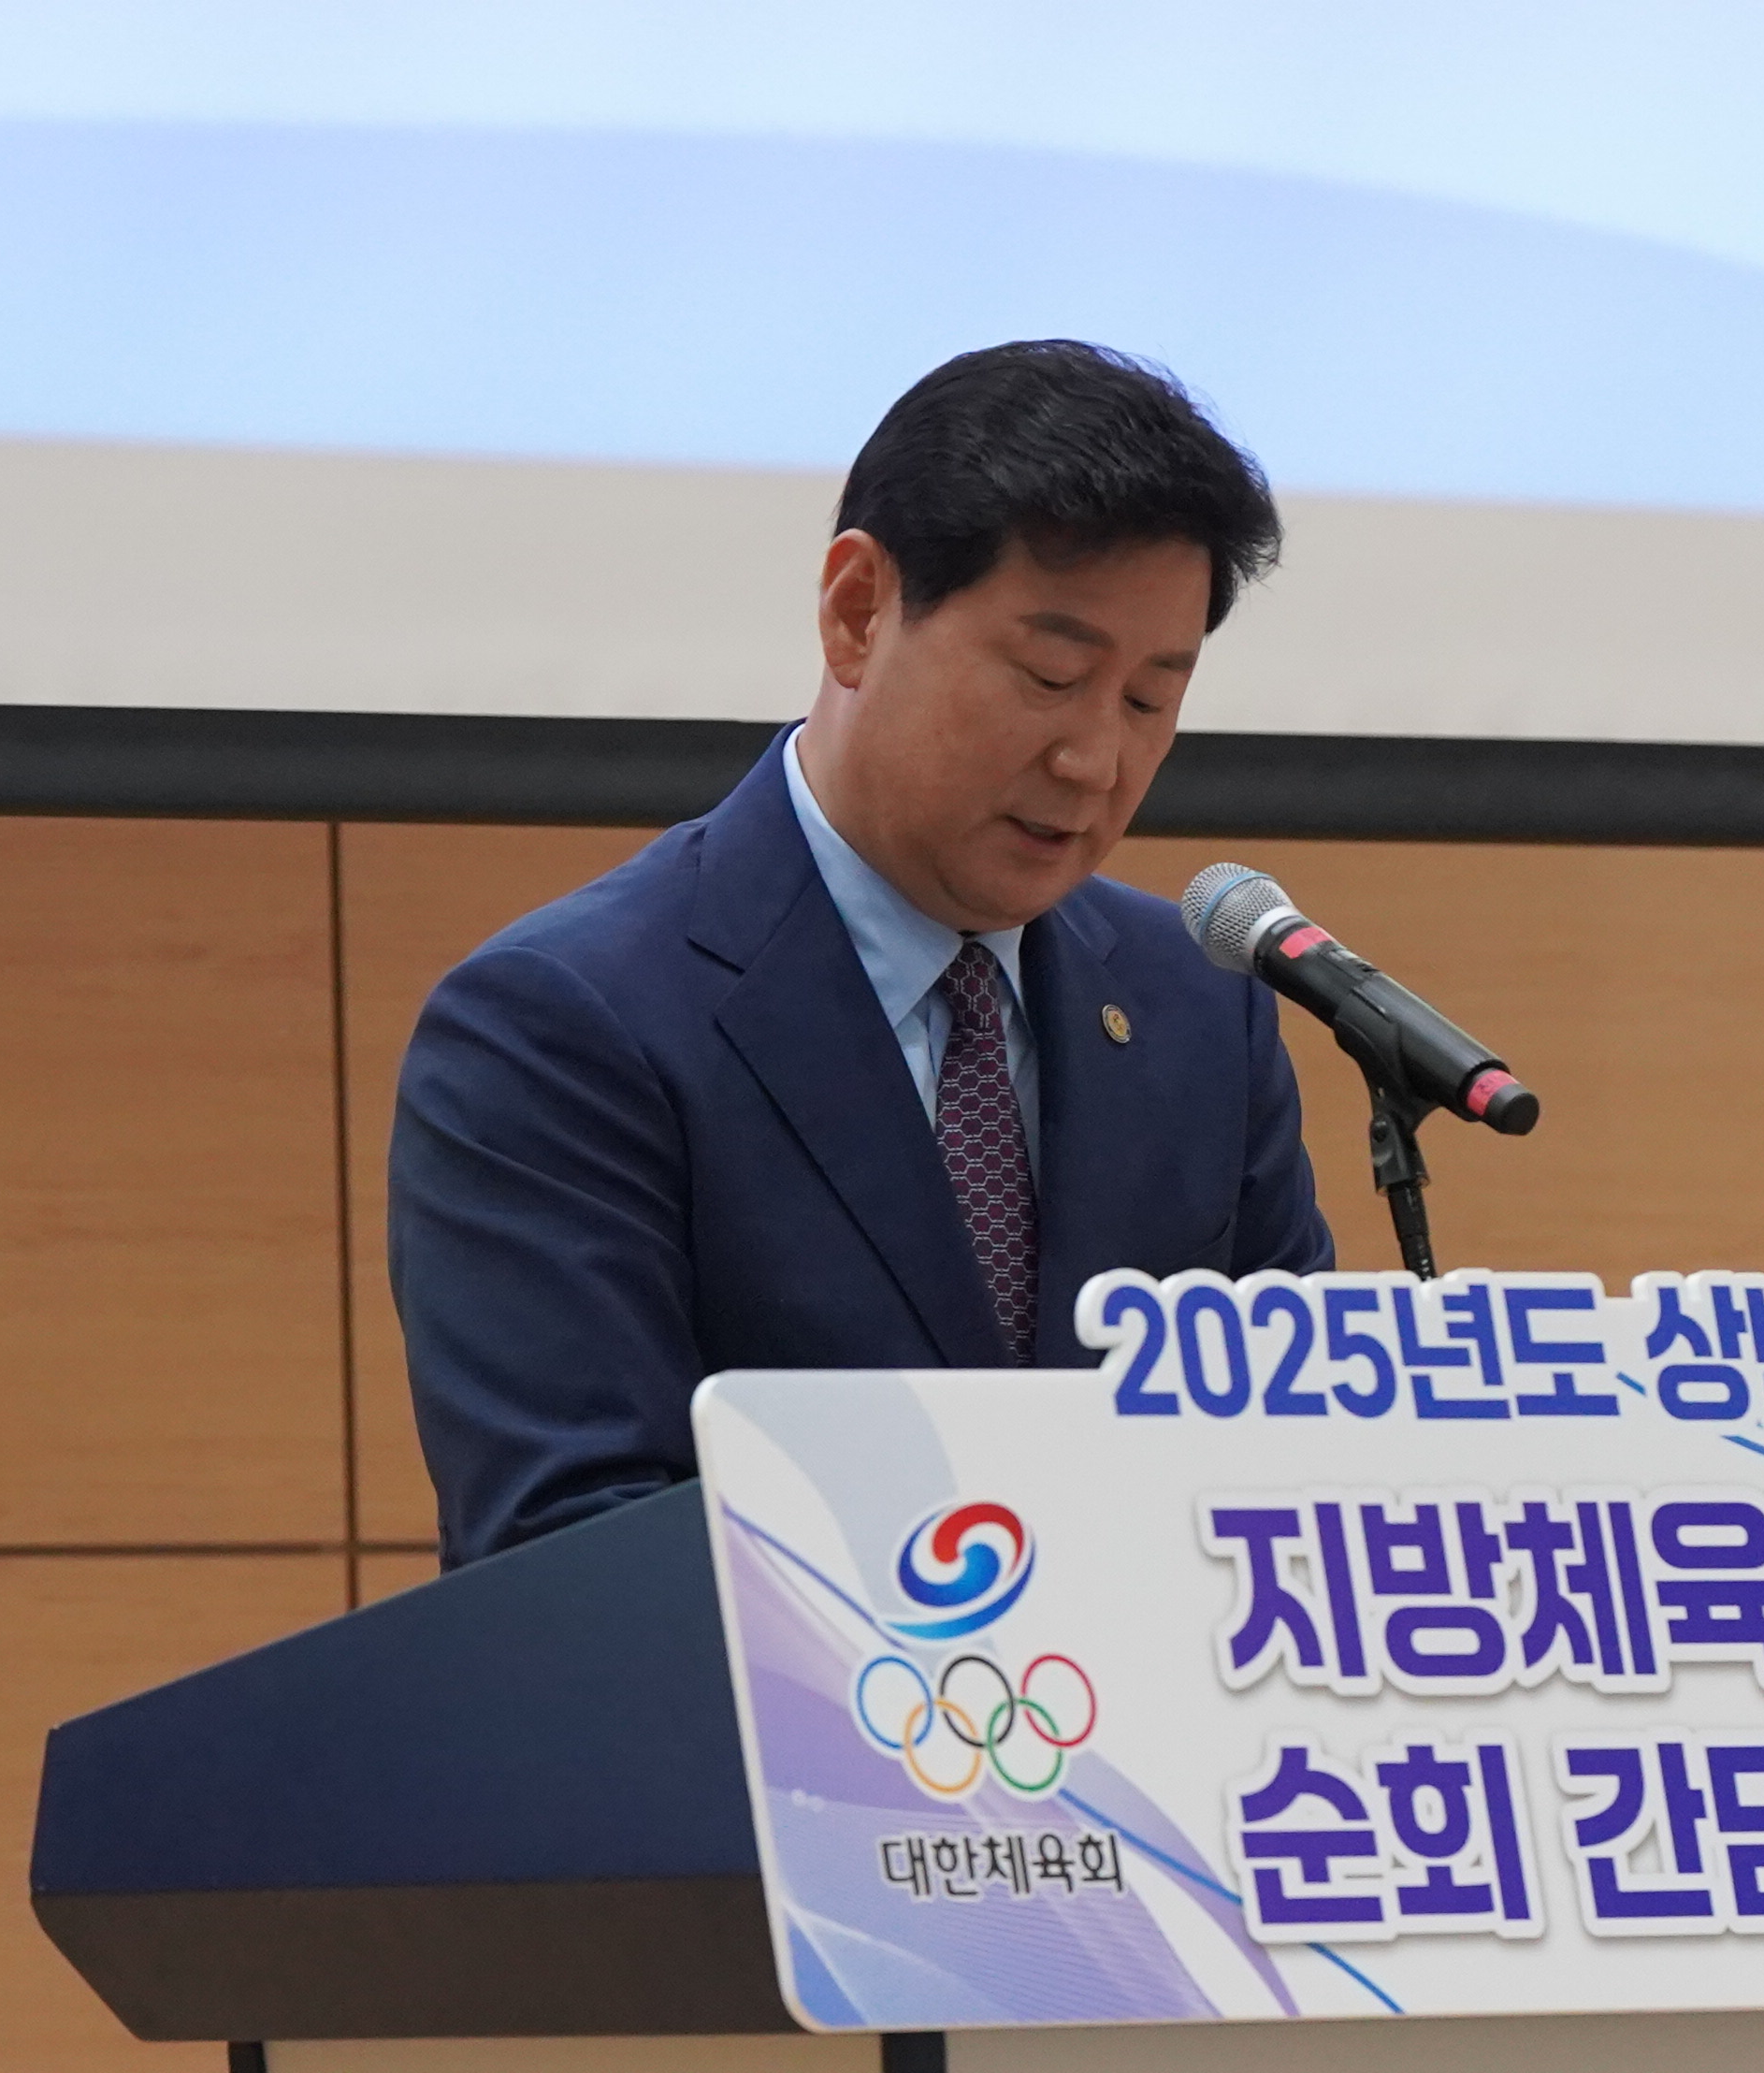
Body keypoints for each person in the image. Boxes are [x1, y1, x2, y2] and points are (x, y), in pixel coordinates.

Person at [391, 340, 1334, 1564]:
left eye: (1151, 700)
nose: (1096, 761)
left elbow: (1293, 1466)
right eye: (1051, 675)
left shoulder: (1199, 1005)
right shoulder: (562, 1027)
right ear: (856, 612)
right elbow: (570, 1552)